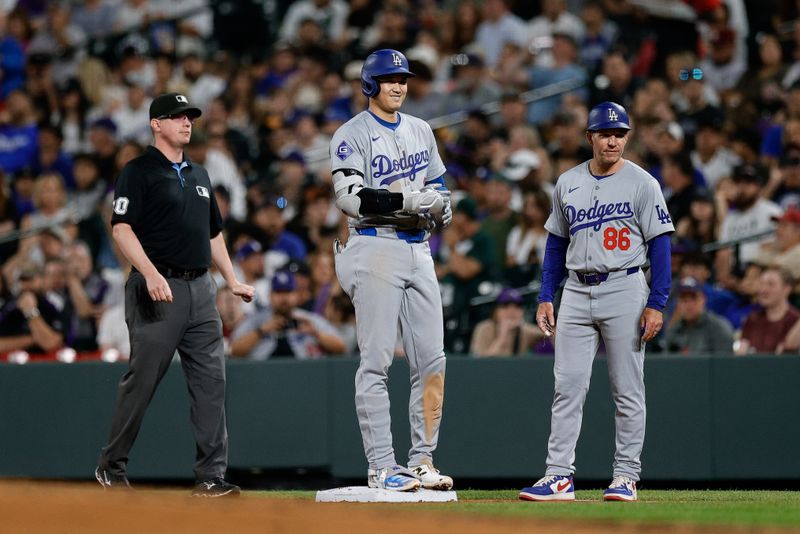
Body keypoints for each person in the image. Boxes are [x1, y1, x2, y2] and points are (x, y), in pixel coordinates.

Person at [94, 93, 255, 497]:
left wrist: (231, 280)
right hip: (157, 287)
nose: (186, 122)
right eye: (177, 117)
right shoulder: (138, 170)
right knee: (142, 380)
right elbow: (122, 228)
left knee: (211, 382)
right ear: (156, 124)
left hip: (201, 288)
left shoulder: (199, 174)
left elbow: (213, 233)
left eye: (189, 117)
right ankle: (111, 467)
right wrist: (148, 272)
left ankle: (211, 477)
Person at [519, 102, 674, 503]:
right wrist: (545, 296)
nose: (612, 140)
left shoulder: (643, 183)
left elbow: (660, 246)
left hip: (624, 286)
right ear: (589, 137)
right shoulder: (567, 182)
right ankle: (559, 476)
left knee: (627, 389)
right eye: (605, 134)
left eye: (619, 133)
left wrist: (657, 301)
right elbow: (555, 245)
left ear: (627, 137)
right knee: (567, 386)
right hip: (575, 288)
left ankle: (625, 476)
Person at [329, 49, 453, 492]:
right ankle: (382, 464)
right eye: (389, 79)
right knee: (377, 362)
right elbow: (350, 198)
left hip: (419, 249)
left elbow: (437, 185)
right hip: (373, 246)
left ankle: (422, 459)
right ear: (369, 85)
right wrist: (409, 202)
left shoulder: (421, 130)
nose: (399, 85)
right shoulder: (351, 134)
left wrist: (441, 203)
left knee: (432, 360)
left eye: (403, 78)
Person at [228, 269, 345, 360]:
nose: (284, 298)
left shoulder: (307, 319)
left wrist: (315, 333)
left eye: (288, 292)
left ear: (297, 295)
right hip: (262, 377)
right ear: (270, 295)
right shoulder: (256, 320)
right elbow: (234, 351)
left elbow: (341, 347)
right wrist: (261, 331)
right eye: (279, 292)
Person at [735, 267, 800, 355]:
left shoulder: (796, 321)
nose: (763, 290)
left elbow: (786, 355)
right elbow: (741, 354)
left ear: (786, 289)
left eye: (771, 284)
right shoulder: (752, 319)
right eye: (761, 284)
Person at [662, 276, 734, 355]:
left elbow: (725, 364)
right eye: (684, 300)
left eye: (694, 298)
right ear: (677, 303)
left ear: (703, 300)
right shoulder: (674, 329)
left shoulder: (718, 328)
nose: (689, 305)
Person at [469, 287, 543, 357]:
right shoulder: (484, 328)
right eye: (505, 306)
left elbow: (550, 333)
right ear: (496, 311)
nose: (511, 311)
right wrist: (502, 338)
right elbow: (479, 364)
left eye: (517, 306)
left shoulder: (524, 330)